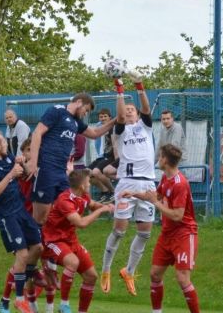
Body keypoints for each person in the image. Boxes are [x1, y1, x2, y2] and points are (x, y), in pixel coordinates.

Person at [124, 144, 202, 313]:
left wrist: (155, 203)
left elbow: (177, 215)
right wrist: (134, 194)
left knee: (182, 277)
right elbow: (155, 195)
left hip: (184, 234)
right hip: (167, 234)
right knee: (155, 274)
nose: (158, 159)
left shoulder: (180, 183)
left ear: (165, 160)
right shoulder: (166, 179)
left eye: (160, 156)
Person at [100, 70, 156, 296]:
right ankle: (106, 269)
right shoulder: (120, 130)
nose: (131, 112)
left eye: (133, 110)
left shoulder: (146, 126)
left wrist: (139, 85)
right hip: (128, 183)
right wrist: (120, 89)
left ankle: (129, 271)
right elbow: (120, 117)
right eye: (128, 110)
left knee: (145, 233)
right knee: (120, 231)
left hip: (148, 185)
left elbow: (146, 108)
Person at [24, 93, 115, 226]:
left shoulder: (75, 121)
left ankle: (53, 243)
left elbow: (95, 133)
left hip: (62, 173)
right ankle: (31, 245)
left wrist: (116, 120)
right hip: (47, 169)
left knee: (68, 209)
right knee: (40, 218)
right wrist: (33, 161)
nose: (86, 114)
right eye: (86, 110)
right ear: (79, 102)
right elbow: (37, 133)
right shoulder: (56, 111)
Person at [0, 130, 42, 313]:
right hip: (7, 215)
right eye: (4, 142)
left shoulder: (7, 157)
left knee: (38, 247)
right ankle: (19, 299)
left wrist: (21, 164)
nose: (7, 144)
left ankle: (26, 276)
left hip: (21, 210)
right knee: (23, 254)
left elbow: (24, 175)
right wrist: (10, 174)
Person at [42, 169, 114, 313]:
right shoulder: (65, 200)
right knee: (72, 262)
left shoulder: (83, 197)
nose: (90, 184)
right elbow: (81, 223)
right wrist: (101, 211)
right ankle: (64, 305)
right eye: (88, 181)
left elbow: (93, 205)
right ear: (82, 185)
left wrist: (110, 206)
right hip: (54, 242)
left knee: (91, 276)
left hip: (70, 241)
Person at [88, 109, 117, 203]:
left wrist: (117, 158)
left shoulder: (114, 127)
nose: (103, 118)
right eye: (101, 116)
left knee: (96, 172)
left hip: (111, 156)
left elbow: (115, 143)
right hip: (102, 156)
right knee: (86, 174)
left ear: (110, 118)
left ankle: (113, 192)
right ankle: (105, 191)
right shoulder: (99, 128)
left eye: (105, 116)